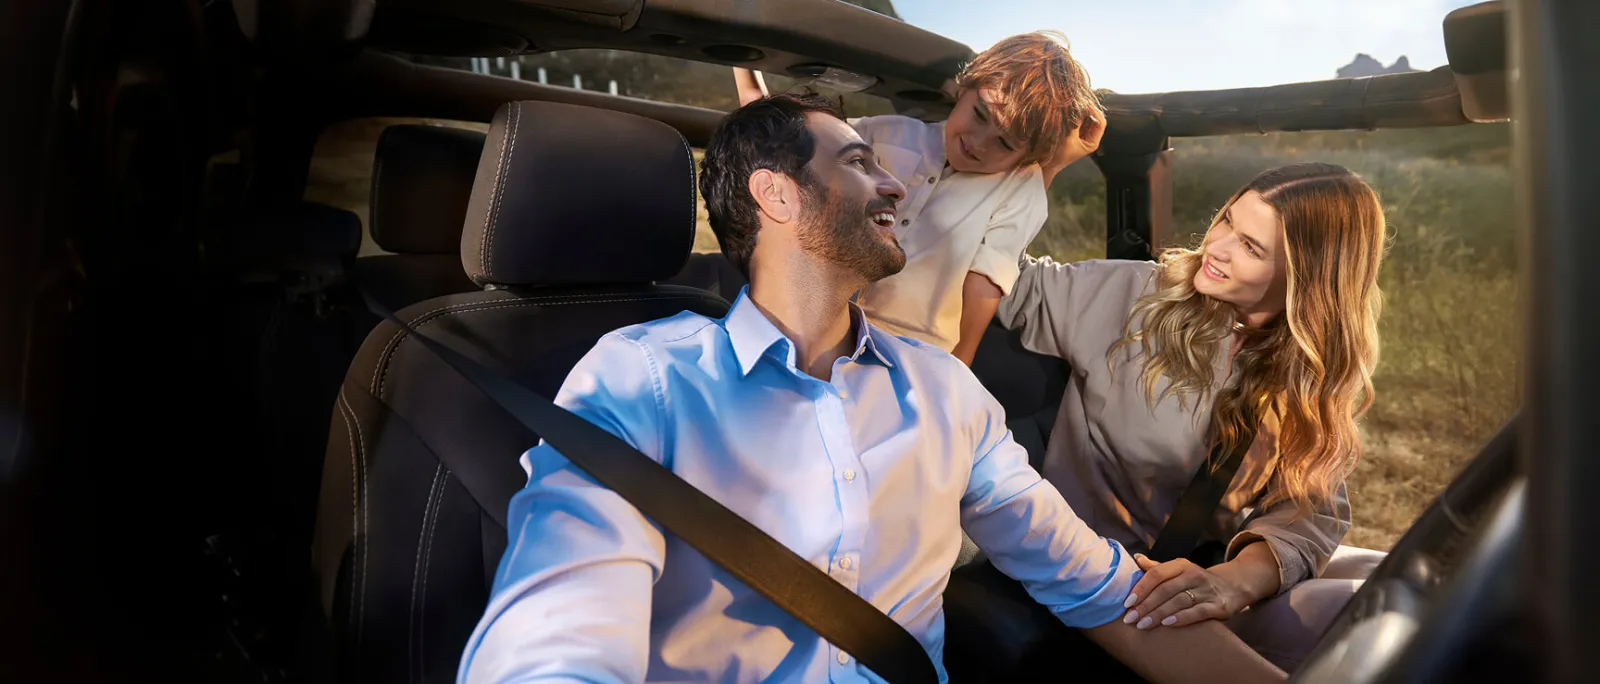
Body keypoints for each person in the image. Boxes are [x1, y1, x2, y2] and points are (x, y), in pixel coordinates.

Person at [455, 93, 1287, 683]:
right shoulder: (642, 380)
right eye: (861, 163)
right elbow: (559, 627)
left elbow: (1099, 588)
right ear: (776, 193)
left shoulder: (945, 393)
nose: (896, 185)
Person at [995, 162, 1391, 672]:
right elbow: (1001, 275)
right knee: (1360, 619)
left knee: (1392, 584)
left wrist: (1235, 582)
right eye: (1227, 220)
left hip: (1211, 569)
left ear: (1307, 277)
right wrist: (1039, 164)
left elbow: (1312, 508)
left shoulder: (1308, 369)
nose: (1217, 247)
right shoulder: (1137, 298)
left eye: (1250, 247)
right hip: (1106, 575)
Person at [732, 30, 1103, 364]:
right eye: (979, 114)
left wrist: (960, 370)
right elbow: (790, 146)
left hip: (913, 353)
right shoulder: (887, 133)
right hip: (817, 323)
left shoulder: (1020, 187)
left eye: (1004, 143)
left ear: (1026, 155)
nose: (979, 142)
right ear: (965, 87)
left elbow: (985, 283)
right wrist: (740, 53)